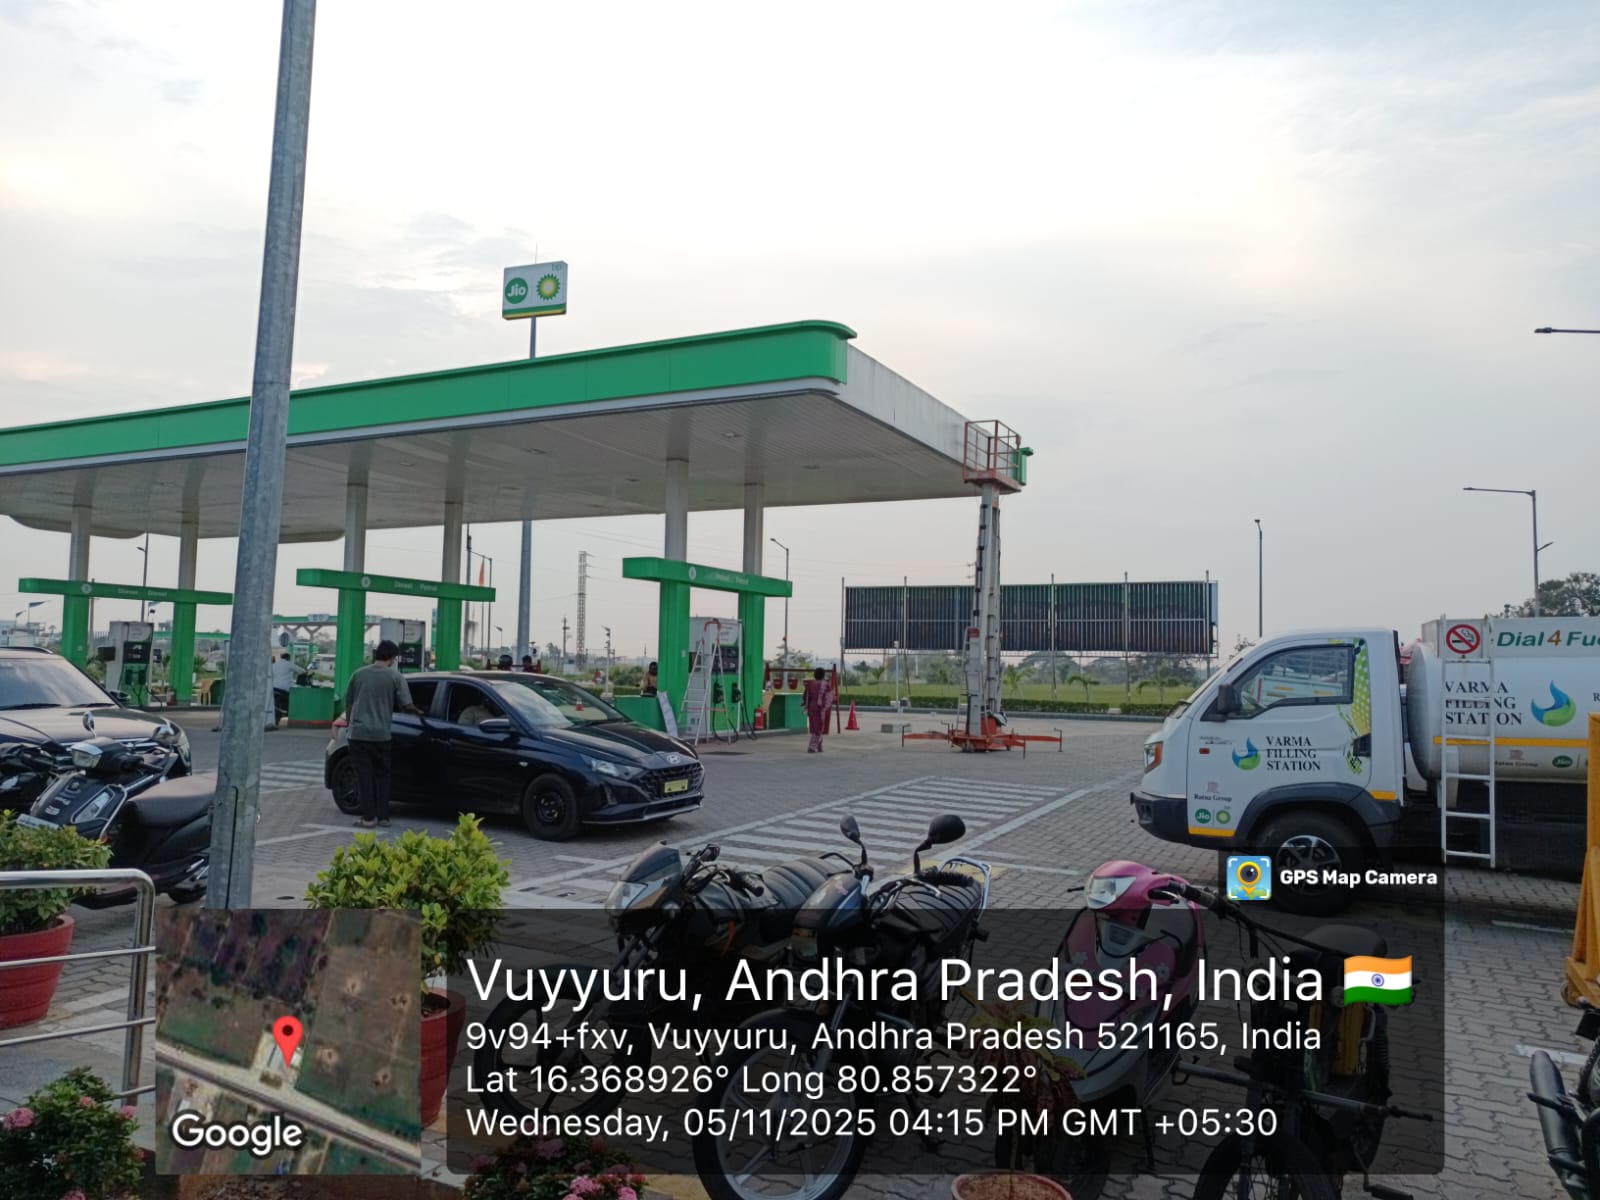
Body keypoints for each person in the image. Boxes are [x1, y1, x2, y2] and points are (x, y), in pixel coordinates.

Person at [343, 640, 423, 829]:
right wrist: (421, 713)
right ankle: (384, 817)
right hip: (381, 736)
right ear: (392, 657)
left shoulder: (358, 674)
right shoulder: (396, 677)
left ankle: (368, 818)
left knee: (364, 777)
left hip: (358, 734)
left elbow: (349, 702)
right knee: (383, 776)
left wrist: (350, 724)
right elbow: (407, 705)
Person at [803, 667, 834, 753]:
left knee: (814, 726)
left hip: (811, 706)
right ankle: (813, 746)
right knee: (819, 727)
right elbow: (829, 697)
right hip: (820, 707)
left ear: (815, 675)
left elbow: (806, 696)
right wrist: (826, 707)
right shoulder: (825, 684)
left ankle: (819, 746)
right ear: (823, 675)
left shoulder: (810, 684)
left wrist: (806, 706)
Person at [270, 653, 295, 726]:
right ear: (288, 658)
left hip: (274, 687)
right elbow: (301, 670)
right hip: (285, 688)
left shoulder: (274, 665)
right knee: (293, 699)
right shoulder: (289, 664)